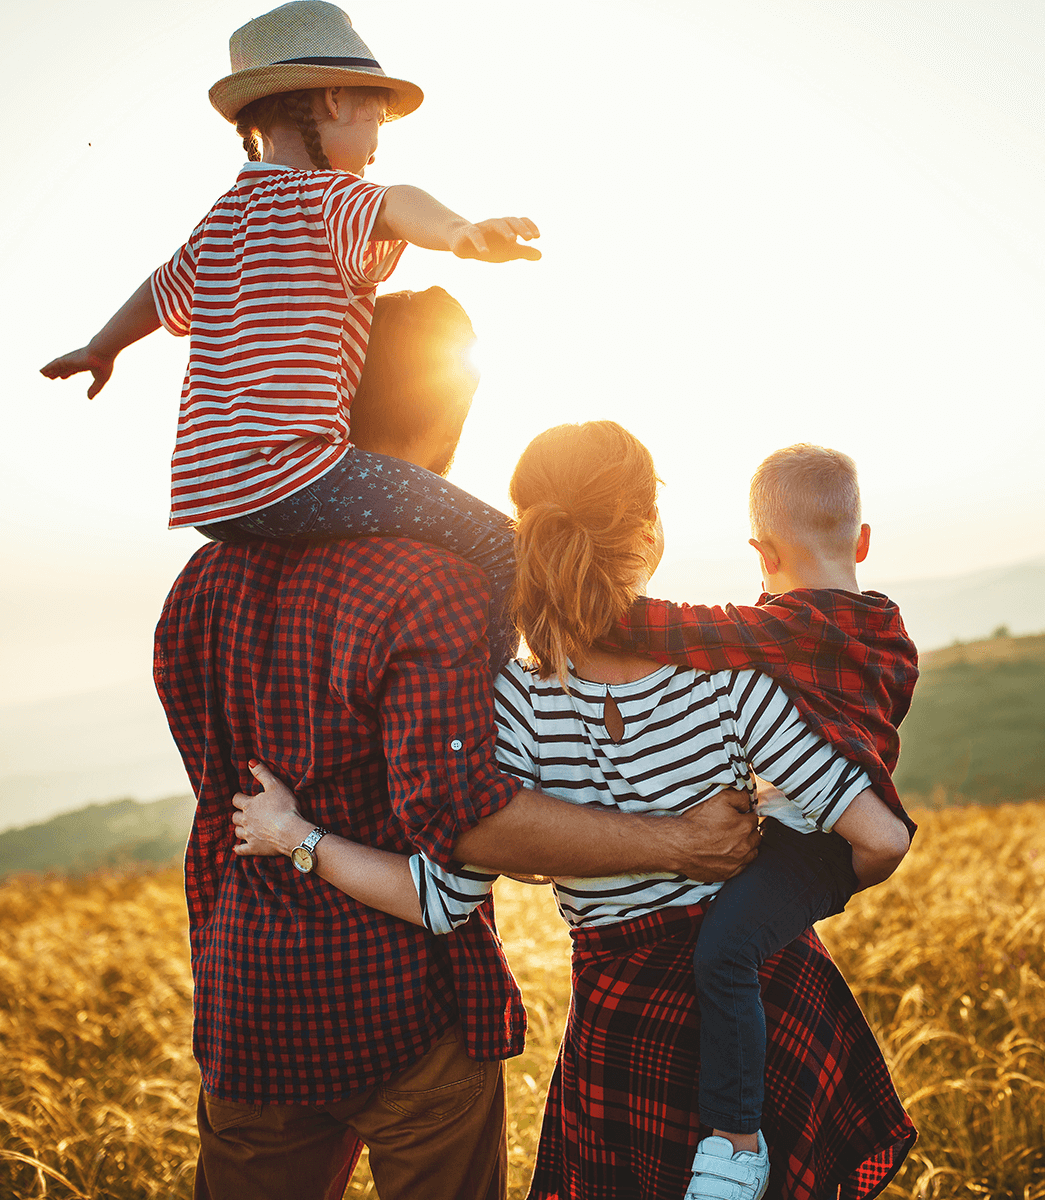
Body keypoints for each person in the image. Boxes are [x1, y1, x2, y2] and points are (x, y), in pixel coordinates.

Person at [156, 286, 761, 1200]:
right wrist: (680, 841)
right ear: (449, 417)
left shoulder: (198, 584)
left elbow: (218, 790)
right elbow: (463, 820)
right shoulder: (435, 583)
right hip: (402, 1008)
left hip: (250, 999)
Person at [235, 420, 917, 1200]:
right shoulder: (732, 675)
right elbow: (867, 828)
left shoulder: (513, 710)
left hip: (623, 1031)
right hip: (770, 1002)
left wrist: (295, 836)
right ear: (650, 536)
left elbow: (438, 901)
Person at [40, 0, 539, 660]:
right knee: (504, 546)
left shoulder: (222, 219)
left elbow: (160, 290)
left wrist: (101, 348)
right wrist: (458, 232)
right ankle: (501, 707)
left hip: (211, 497)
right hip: (297, 475)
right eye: (376, 121)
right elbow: (396, 203)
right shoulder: (330, 200)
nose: (376, 145)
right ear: (335, 99)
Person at [596, 443, 920, 1188]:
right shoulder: (890, 631)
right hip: (825, 838)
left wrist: (577, 606)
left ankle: (736, 1147)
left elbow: (670, 628)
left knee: (725, 951)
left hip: (821, 844)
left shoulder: (781, 628)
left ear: (762, 553)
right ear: (863, 541)